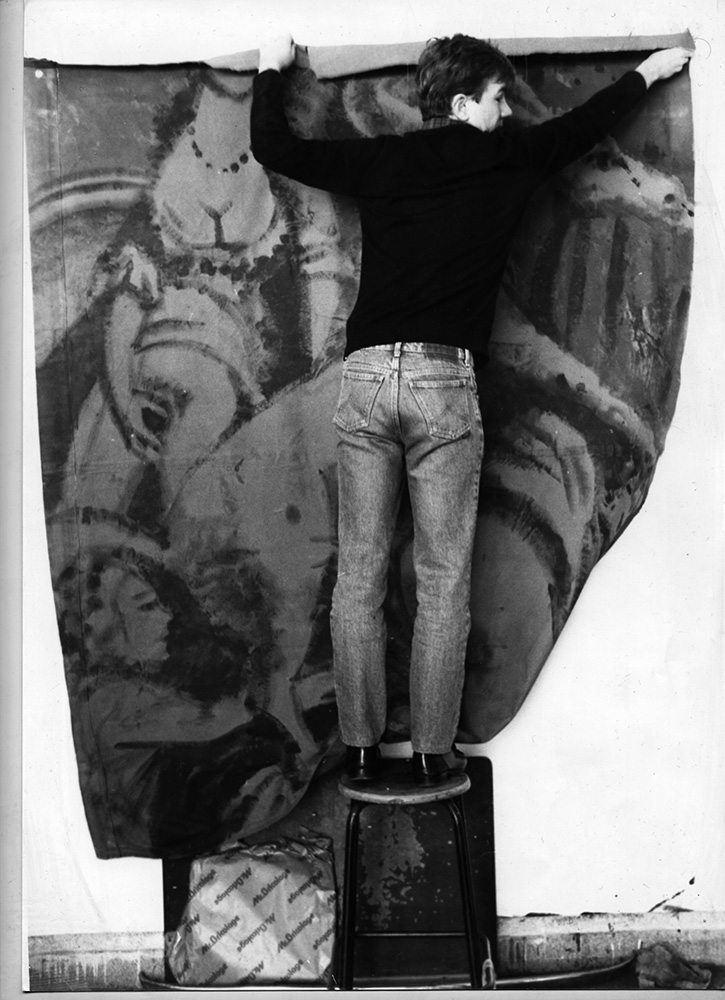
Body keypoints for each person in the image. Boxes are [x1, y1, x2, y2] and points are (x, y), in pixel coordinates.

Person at [251, 33, 691, 785]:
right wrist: (649, 71)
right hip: (441, 385)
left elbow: (273, 146)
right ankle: (432, 753)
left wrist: (269, 67)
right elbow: (586, 125)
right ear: (461, 103)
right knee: (443, 581)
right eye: (496, 98)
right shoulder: (505, 159)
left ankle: (361, 749)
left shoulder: (384, 160)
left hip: (366, 379)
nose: (506, 112)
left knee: (358, 577)